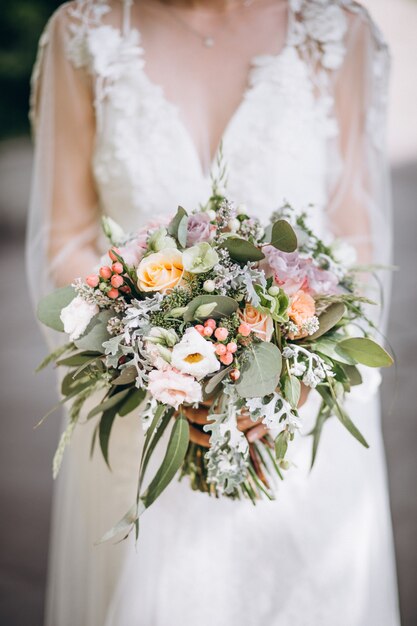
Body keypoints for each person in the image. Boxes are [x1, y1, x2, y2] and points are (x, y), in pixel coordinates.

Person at [27, 1, 400, 624]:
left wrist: (294, 372)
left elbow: (355, 240)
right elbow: (64, 237)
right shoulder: (84, 32)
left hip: (298, 427)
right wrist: (155, 354)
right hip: (138, 417)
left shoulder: (338, 33)